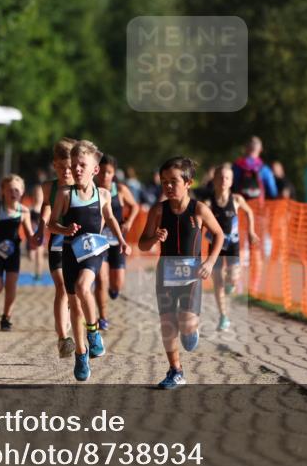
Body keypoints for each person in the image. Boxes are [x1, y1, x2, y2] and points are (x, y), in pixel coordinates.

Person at [47, 140, 131, 382]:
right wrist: (64, 230)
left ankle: (93, 332)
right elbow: (51, 224)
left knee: (84, 287)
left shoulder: (102, 194)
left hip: (94, 250)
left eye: (82, 165)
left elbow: (111, 218)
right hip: (70, 253)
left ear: (95, 169)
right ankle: (81, 354)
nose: (77, 169)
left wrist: (122, 240)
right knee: (74, 304)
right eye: (74, 165)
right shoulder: (65, 194)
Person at [139, 157, 225, 389]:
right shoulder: (158, 210)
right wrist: (154, 238)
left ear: (188, 182)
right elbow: (142, 244)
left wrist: (209, 262)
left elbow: (219, 235)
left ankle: (190, 329)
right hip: (165, 275)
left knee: (186, 326)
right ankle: (175, 371)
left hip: (191, 277)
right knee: (167, 323)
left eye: (173, 181)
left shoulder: (199, 209)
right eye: (163, 181)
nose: (167, 186)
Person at [204, 163, 259, 331]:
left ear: (231, 181)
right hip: (215, 246)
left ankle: (232, 283)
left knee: (233, 277)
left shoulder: (236, 199)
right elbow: (200, 220)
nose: (223, 180)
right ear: (214, 180)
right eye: (220, 177)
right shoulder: (208, 202)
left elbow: (249, 212)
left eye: (227, 178)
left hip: (233, 244)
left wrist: (251, 232)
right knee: (218, 283)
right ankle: (223, 317)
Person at [0, 175, 35, 331]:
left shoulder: (23, 211)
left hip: (13, 253)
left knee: (11, 286)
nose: (13, 192)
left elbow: (29, 232)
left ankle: (6, 317)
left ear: (22, 192)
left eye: (17, 190)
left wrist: (34, 241)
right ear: (3, 191)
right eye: (9, 189)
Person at [37, 139, 77, 358]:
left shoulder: (83, 187)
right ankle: (63, 339)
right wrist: (38, 229)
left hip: (80, 244)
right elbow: (47, 206)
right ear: (54, 165)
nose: (65, 171)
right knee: (61, 287)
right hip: (58, 240)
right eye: (61, 167)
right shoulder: (49, 187)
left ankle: (76, 320)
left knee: (77, 291)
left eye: (70, 167)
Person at [95, 154, 140, 330]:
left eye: (109, 172)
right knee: (101, 279)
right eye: (103, 172)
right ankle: (103, 317)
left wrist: (128, 222)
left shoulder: (119, 190)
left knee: (117, 283)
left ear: (114, 173)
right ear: (97, 172)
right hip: (100, 242)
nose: (105, 176)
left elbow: (135, 206)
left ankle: (114, 291)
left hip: (118, 241)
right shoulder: (93, 190)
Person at [232, 136, 278, 203]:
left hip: (240, 206)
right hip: (259, 207)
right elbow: (273, 192)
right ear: (261, 149)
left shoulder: (236, 166)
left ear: (246, 148)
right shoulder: (264, 169)